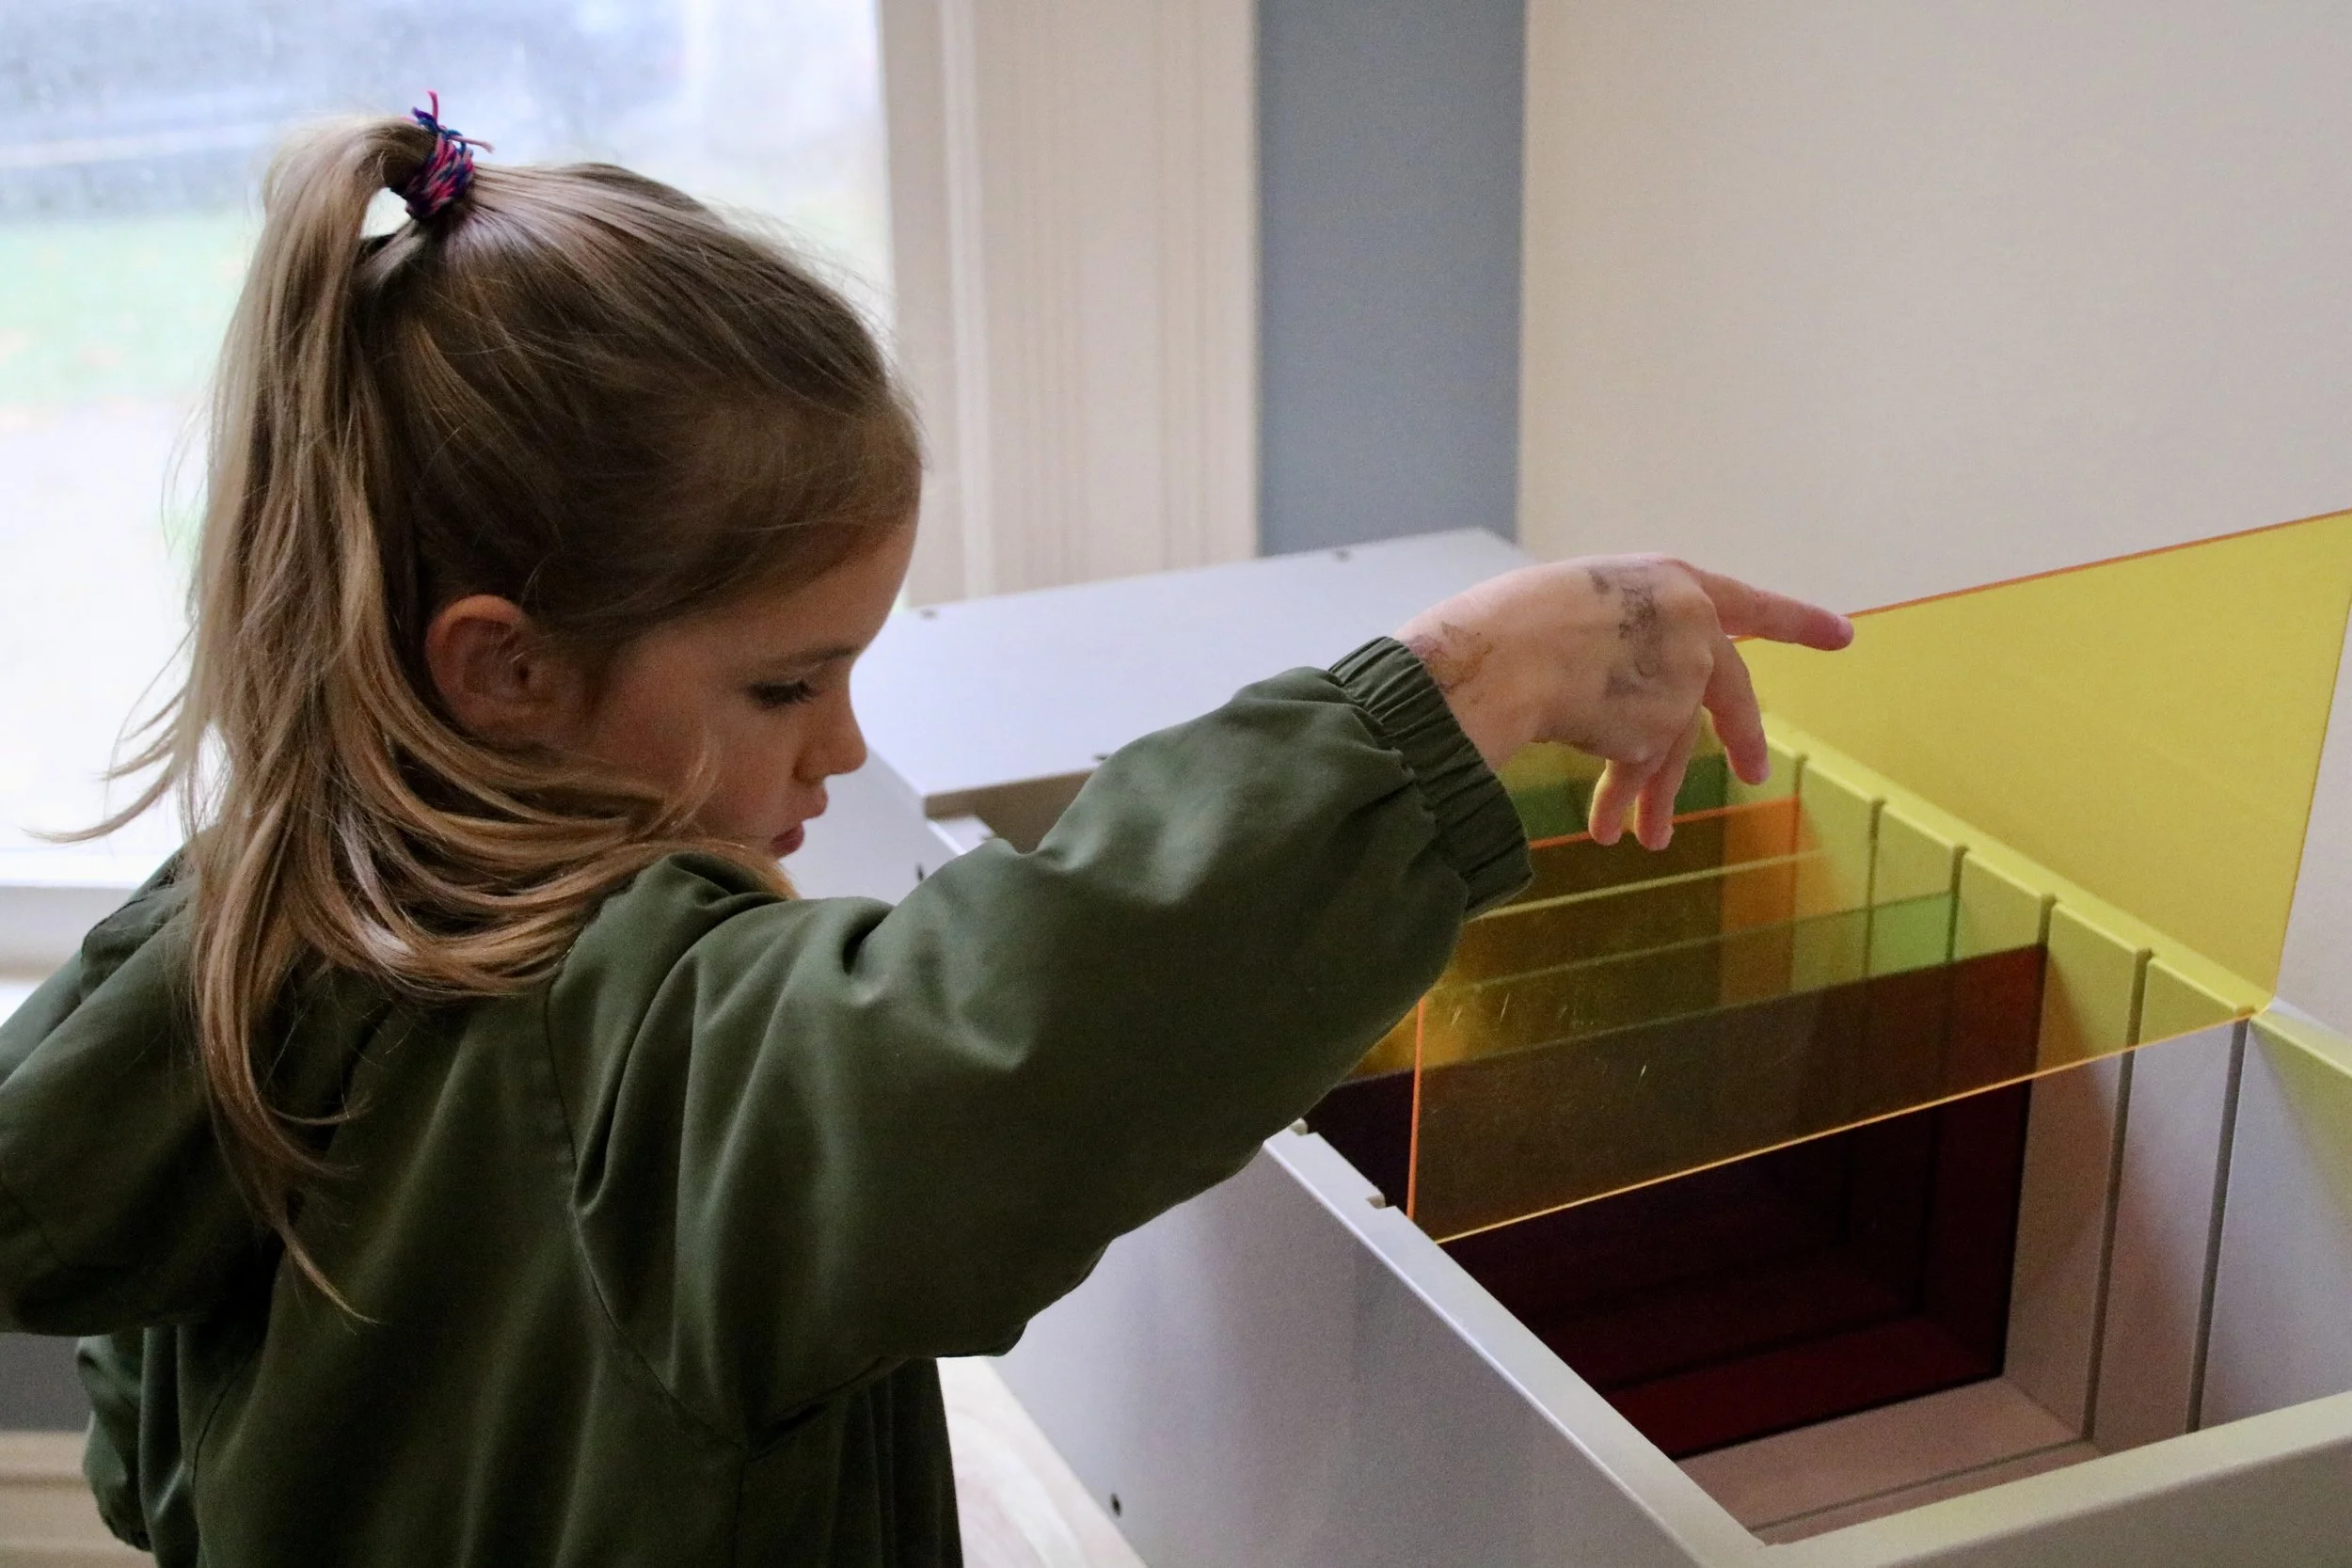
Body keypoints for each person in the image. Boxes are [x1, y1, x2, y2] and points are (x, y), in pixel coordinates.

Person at [0, 104, 1851, 1567]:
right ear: (505, 671)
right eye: (781, 686)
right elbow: (1034, 1029)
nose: (842, 746)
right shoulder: (634, 1050)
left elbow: (163, 1434)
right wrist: (1458, 681)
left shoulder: (251, 916)